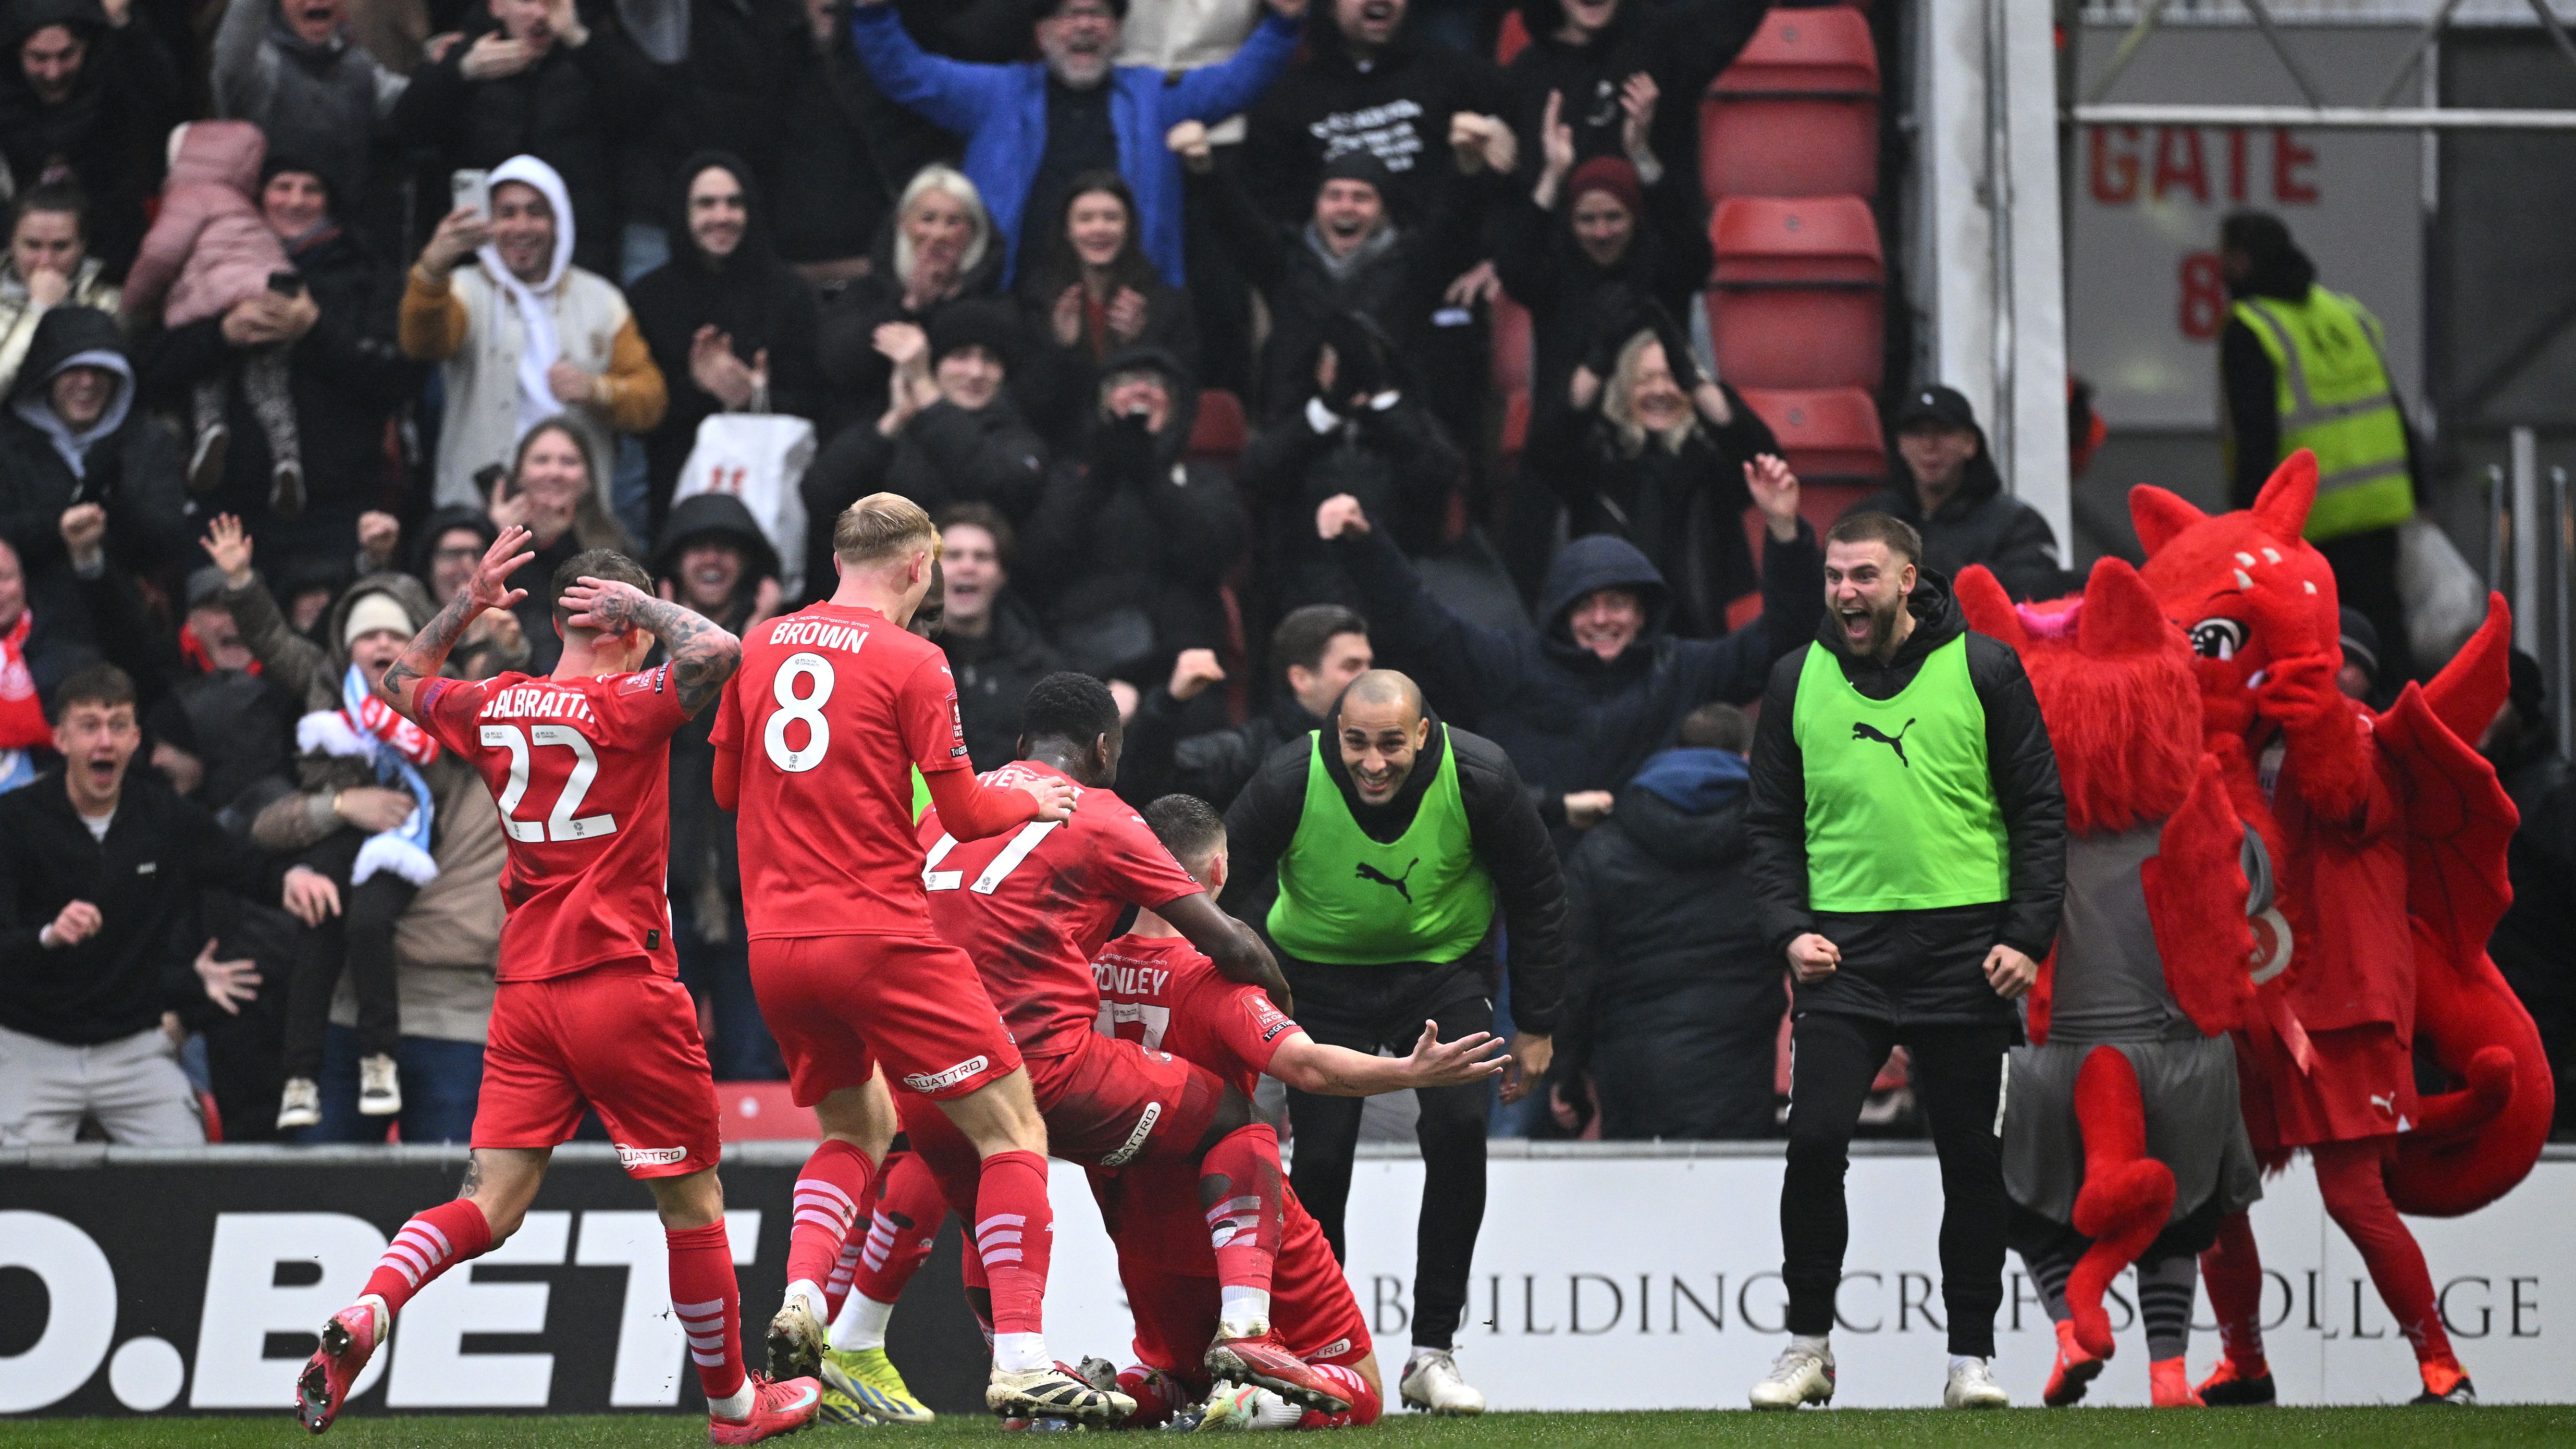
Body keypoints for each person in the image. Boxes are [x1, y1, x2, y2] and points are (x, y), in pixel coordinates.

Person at [292, 531, 821, 1443]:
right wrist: (646, 609)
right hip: (622, 983)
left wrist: (466, 602)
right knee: (692, 1208)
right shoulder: (630, 703)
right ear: (624, 625)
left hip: (526, 992)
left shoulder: (496, 704)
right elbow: (723, 651)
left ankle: (374, 1305)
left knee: (489, 1203)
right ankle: (735, 1408)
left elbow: (398, 681)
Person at [706, 492, 1122, 1419]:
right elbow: (970, 815)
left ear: (835, 557)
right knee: (1011, 1131)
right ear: (919, 566)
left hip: (776, 946)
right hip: (882, 936)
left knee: (854, 1132)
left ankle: (807, 1300)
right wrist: (1035, 805)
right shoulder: (916, 659)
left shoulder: (761, 642)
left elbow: (727, 788)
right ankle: (1019, 1357)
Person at [900, 672, 1358, 1421]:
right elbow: (1225, 942)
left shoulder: (949, 809)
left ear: (1020, 747)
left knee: (984, 1211)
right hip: (1037, 1066)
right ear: (1104, 749)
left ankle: (1024, 1383)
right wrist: (1277, 992)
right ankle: (1246, 1329)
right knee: (1235, 1120)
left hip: (928, 1069)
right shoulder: (1103, 815)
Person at [1742, 511, 2065, 1409]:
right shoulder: (1793, 680)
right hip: (1840, 957)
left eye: (1863, 576)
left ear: (1909, 579)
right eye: (1834, 576)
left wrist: (2026, 937)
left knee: (1970, 1160)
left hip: (1967, 954)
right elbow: (1766, 827)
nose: (1846, 591)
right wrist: (1785, 929)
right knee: (1811, 1147)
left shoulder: (1986, 669)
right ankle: (1807, 1345)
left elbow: (2039, 811)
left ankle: (1971, 1360)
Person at [1091, 793, 1507, 1430]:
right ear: (1219, 873)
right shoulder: (1212, 976)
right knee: (1360, 1390)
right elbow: (1307, 1067)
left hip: (1139, 1227)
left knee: (1184, 1375)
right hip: (1239, 1223)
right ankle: (1263, 1403)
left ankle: (1116, 1392)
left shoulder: (1085, 969)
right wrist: (1409, 1071)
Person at [1220, 668, 1567, 1415]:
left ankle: (1430, 1353)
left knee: (1460, 1128)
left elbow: (1538, 894)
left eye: (1389, 745)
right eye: (1354, 744)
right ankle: (1318, 1358)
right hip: (1316, 982)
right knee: (1316, 1159)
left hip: (1440, 976)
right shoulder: (1288, 776)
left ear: (1422, 734)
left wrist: (1535, 1024)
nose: (1371, 763)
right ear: (1331, 735)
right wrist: (1249, 983)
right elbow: (1221, 882)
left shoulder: (1480, 776)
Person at [1314, 461, 1815, 851]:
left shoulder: (1683, 669)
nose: (1602, 620)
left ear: (1643, 613)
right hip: (1537, 884)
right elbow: (1419, 622)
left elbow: (1783, 636)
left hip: (1648, 883)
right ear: (1559, 613)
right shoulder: (1512, 664)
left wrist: (1784, 531)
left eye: (1617, 604)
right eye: (1585, 606)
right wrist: (1366, 546)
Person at [0, 663, 337, 1146]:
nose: (105, 742)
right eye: (89, 726)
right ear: (59, 739)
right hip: (31, 1047)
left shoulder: (163, 816)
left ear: (136, 738)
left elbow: (242, 866)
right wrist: (49, 935)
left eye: (118, 726)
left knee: (184, 1176)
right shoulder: (15, 821)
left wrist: (292, 879)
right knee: (16, 1197)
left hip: (133, 1051)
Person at [200, 513, 446, 1132]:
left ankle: (378, 1059)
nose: (382, 645)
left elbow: (499, 662)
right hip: (337, 834)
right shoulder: (325, 681)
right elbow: (271, 637)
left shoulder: (441, 692)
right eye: (368, 636)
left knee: (365, 920)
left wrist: (506, 638)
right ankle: (301, 1078)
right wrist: (239, 580)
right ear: (346, 643)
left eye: (396, 634)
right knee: (315, 928)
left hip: (404, 834)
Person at [846, 0, 1304, 288]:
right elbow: (906, 74)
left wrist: (1283, 25)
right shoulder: (994, 95)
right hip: (1012, 300)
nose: (1085, 25)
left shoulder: (1154, 97)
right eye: (1068, 14)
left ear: (1118, 31)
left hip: (1130, 306)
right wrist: (871, 12)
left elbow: (1238, 83)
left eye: (1099, 13)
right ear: (1042, 35)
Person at [132, 156, 421, 559]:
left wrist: (313, 330)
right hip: (228, 510)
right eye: (282, 187)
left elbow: (396, 380)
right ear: (259, 196)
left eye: (311, 189)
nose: (296, 201)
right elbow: (149, 371)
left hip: (335, 507)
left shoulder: (366, 272)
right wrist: (222, 334)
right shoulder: (208, 264)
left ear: (331, 200)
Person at [1556, 702, 1778, 1140]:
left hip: (1630, 1068)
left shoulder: (1603, 847)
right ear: (1747, 758)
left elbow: (1572, 969)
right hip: (1739, 1066)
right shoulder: (1774, 846)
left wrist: (1566, 1070)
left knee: (1638, 1201)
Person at [1177, 129, 1492, 435]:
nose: (1346, 207)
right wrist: (1205, 170)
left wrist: (1468, 169)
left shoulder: (1413, 264)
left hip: (1392, 437)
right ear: (1316, 206)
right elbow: (1235, 221)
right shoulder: (1287, 263)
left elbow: (1454, 222)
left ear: (1384, 210)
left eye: (1362, 197)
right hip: (1300, 436)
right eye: (1334, 195)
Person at [400, 153, 667, 507]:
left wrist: (597, 391)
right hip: (481, 517)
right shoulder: (460, 290)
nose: (521, 227)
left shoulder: (602, 299)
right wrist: (432, 270)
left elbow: (651, 402)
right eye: (507, 214)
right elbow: (422, 344)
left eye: (536, 212)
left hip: (574, 519)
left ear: (559, 222)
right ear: (487, 221)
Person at [2219, 211, 2418, 683]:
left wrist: (2248, 525)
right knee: (2383, 646)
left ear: (2241, 260)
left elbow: (2255, 434)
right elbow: (2392, 404)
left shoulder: (2250, 326)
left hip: (2309, 518)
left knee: (2313, 654)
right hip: (2378, 507)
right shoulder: (2346, 312)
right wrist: (2421, 492)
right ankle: (2404, 743)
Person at [1530, 310, 1782, 635]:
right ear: (1623, 389)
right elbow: (1545, 454)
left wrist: (1696, 380)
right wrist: (1596, 364)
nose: (1660, 391)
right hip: (1611, 642)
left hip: (1703, 646)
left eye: (1673, 378)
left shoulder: (1713, 461)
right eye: (1645, 380)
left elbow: (1763, 459)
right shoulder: (1596, 460)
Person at [652, 491, 784, 1081]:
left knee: (757, 1061)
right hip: (665, 895)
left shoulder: (787, 648)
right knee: (661, 1063)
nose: (711, 560)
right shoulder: (635, 654)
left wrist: (756, 648)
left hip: (756, 897)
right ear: (673, 566)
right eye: (697, 548)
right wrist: (665, 649)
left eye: (726, 550)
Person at [386, 0, 663, 278]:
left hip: (578, 250)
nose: (542, 14)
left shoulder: (591, 55)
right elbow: (404, 132)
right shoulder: (468, 56)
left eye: (553, 3)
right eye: (527, 2)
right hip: (483, 250)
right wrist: (460, 72)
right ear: (497, 8)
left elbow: (651, 110)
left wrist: (581, 41)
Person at [1018, 346, 1243, 688]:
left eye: (1156, 382)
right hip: (1086, 662)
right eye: (1124, 382)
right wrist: (1099, 480)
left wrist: (1151, 476)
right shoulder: (1069, 478)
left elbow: (1215, 551)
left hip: (1185, 663)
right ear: (1101, 403)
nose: (1142, 390)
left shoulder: (1203, 480)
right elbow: (1039, 559)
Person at [122, 120, 310, 514]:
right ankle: (287, 459)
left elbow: (160, 253)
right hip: (274, 296)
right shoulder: (244, 206)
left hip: (218, 302)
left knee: (208, 374)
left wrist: (132, 306)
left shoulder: (191, 196)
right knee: (271, 388)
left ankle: (210, 431)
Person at [628, 153, 823, 534]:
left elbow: (816, 400)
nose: (722, 216)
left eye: (734, 203)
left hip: (772, 491)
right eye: (706, 204)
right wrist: (698, 386)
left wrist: (752, 395)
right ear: (682, 212)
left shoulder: (790, 293)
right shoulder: (650, 297)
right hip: (677, 490)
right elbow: (641, 421)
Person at [1497, 85, 1710, 431]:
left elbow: (1695, 257)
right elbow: (1515, 269)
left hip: (1656, 441)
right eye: (1587, 220)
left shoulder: (1660, 269)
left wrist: (1641, 156)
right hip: (1569, 446)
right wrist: (1552, 177)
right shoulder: (1556, 276)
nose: (1600, 232)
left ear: (1635, 219)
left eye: (1613, 217)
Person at [800, 298, 1049, 594]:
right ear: (937, 365)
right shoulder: (894, 431)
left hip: (975, 604)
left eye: (990, 360)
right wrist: (894, 420)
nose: (976, 372)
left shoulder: (1017, 437)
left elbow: (1003, 486)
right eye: (961, 356)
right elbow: (819, 495)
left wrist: (925, 388)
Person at [1240, 309, 1462, 613]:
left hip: (1398, 572)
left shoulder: (1413, 423)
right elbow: (1257, 471)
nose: (1341, 370)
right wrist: (1326, 413)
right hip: (1307, 578)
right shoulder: (1297, 420)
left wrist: (1382, 406)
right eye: (1331, 359)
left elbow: (1439, 475)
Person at [0, 308, 192, 642]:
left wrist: (110, 509)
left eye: (100, 369)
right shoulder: (8, 443)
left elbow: (169, 536)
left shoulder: (147, 440)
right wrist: (59, 529)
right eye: (72, 370)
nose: (87, 382)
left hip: (128, 621)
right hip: (31, 624)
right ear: (47, 377)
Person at [1242, 0, 1512, 231]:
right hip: (1331, 271)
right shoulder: (1287, 98)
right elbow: (1272, 207)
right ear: (1330, 7)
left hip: (1439, 259)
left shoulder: (1453, 74)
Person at [1500, 0, 1766, 217]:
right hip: (1558, 269)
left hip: (1658, 263)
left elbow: (1738, 11)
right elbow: (1513, 196)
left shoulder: (1663, 40)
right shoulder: (1527, 72)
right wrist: (1497, 260)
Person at [1118, 603, 1371, 812]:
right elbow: (1145, 783)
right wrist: (1168, 704)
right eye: (1351, 666)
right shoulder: (1249, 752)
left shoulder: (1388, 746)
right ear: (1301, 679)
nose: (1369, 677)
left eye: (1368, 665)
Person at [1013, 169, 1199, 449]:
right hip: (1063, 454)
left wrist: (1138, 343)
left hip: (1145, 452)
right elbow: (1029, 404)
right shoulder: (1038, 300)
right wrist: (1063, 348)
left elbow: (1182, 396)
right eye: (1085, 219)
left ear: (1129, 227)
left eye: (1111, 218)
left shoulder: (1167, 304)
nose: (1099, 229)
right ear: (1067, 230)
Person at [814, 164, 1003, 437]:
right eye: (928, 219)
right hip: (873, 436)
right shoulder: (866, 294)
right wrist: (908, 305)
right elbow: (839, 367)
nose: (939, 235)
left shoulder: (993, 305)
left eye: (953, 222)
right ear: (903, 224)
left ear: (972, 234)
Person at [0, 0, 181, 276]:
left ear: (86, 47)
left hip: (113, 250)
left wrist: (121, 21)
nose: (53, 72)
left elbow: (159, 96)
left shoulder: (112, 84)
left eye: (66, 55)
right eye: (38, 58)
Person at [1849, 385, 2070, 605]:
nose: (1929, 445)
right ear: (1900, 445)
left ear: (1971, 444)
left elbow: (2038, 597)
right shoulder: (1868, 520)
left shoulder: (2019, 525)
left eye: (1944, 431)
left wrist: (1952, 574)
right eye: (1917, 433)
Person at [2482, 650, 2575, 1140]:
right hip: (2484, 1020)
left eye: (2492, 699)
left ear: (2522, 708)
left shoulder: (2555, 800)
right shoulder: (2463, 789)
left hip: (2543, 1030)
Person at [207, 0, 405, 210]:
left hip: (345, 231)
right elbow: (231, 66)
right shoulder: (263, 69)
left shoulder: (358, 66)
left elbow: (413, 100)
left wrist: (438, 62)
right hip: (265, 231)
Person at [486, 418, 635, 674]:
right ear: (519, 475)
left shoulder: (616, 544)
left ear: (588, 478)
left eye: (569, 462)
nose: (554, 472)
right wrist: (495, 538)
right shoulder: (488, 536)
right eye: (541, 461)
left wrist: (563, 542)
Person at [928, 503, 1062, 772]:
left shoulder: (1039, 669)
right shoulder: (902, 662)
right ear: (928, 572)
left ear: (1002, 574)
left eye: (982, 557)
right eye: (954, 555)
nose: (968, 566)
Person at [1, 183, 120, 400]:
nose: (45, 262)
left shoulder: (108, 304)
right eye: (33, 245)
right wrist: (38, 309)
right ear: (12, 243)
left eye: (60, 247)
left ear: (82, 246)